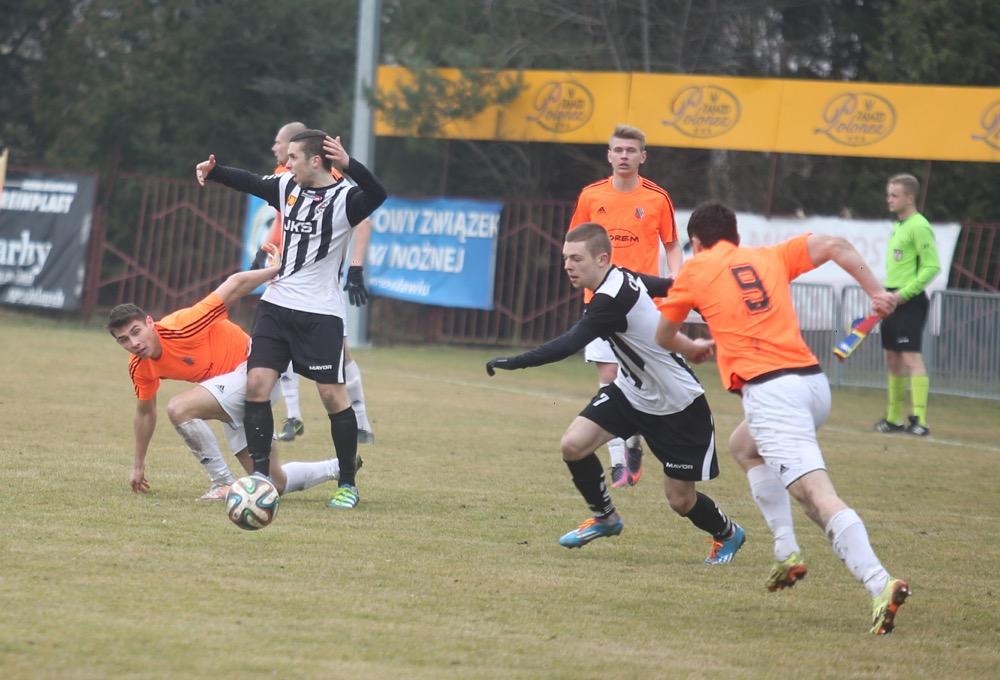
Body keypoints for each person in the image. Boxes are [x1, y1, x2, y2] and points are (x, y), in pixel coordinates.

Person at [655, 201, 911, 635]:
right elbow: (835, 244)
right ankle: (786, 549)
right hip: (812, 384)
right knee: (743, 446)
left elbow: (663, 334)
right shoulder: (767, 256)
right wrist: (875, 292)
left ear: (695, 243)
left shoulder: (695, 269)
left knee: (817, 497)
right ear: (735, 235)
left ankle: (879, 582)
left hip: (772, 394)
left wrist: (692, 347)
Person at [486, 223, 745, 562]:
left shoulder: (610, 299)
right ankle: (606, 518)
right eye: (565, 258)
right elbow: (668, 286)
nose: (567, 266)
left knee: (680, 500)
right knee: (573, 445)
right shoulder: (619, 278)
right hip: (631, 393)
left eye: (576, 258)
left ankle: (728, 533)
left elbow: (568, 344)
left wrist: (515, 362)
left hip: (677, 405)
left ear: (601, 259)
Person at [196, 129, 386, 510]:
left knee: (331, 395)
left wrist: (350, 164)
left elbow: (377, 194)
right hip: (276, 306)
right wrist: (215, 172)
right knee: (256, 385)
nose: (286, 163)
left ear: (316, 160)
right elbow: (251, 182)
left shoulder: (346, 199)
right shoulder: (287, 187)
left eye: (294, 157)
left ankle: (347, 483)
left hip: (321, 314)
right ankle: (261, 478)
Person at [108, 249, 350, 500]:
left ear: (150, 322)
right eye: (124, 340)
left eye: (136, 331)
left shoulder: (183, 326)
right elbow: (145, 413)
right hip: (229, 389)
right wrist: (138, 465)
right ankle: (339, 466)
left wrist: (275, 271)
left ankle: (222, 482)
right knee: (271, 484)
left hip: (257, 370)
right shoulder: (139, 365)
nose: (134, 343)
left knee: (179, 408)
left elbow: (234, 284)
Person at [568, 124, 682, 489]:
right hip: (601, 302)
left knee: (640, 382)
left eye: (631, 150)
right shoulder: (591, 196)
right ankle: (620, 461)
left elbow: (672, 245)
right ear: (609, 155)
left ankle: (633, 442)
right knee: (609, 378)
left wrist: (676, 280)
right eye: (618, 150)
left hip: (642, 304)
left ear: (642, 156)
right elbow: (574, 242)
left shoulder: (657, 198)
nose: (624, 156)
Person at [251, 121, 377, 444]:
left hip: (321, 290)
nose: (275, 149)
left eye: (279, 143)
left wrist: (356, 268)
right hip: (289, 282)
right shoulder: (287, 177)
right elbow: (283, 220)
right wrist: (263, 250)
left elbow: (363, 221)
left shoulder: (327, 178)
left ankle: (361, 421)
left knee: (341, 359)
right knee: (278, 351)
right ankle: (294, 416)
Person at [873, 174, 941, 437]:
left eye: (894, 195)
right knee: (891, 357)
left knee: (911, 357)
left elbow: (932, 266)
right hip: (892, 299)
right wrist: (886, 294)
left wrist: (903, 294)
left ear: (909, 197)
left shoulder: (919, 226)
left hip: (909, 301)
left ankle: (920, 420)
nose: (889, 199)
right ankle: (893, 418)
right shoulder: (899, 226)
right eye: (888, 194)